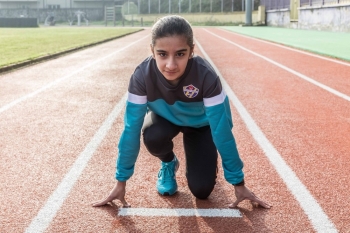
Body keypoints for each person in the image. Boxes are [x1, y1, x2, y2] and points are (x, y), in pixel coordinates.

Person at [93, 15, 271, 209]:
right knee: (152, 135)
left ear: (191, 51)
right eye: (162, 54)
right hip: (165, 120)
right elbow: (130, 129)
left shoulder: (206, 76)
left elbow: (222, 130)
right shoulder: (141, 76)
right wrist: (121, 182)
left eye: (180, 54)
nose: (171, 65)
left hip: (201, 125)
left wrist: (238, 183)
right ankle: (169, 163)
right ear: (152, 51)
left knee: (202, 191)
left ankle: (207, 163)